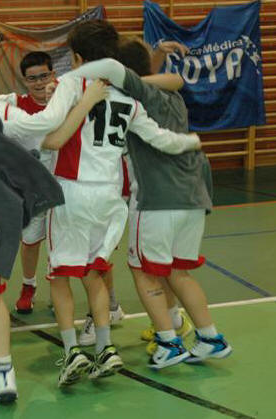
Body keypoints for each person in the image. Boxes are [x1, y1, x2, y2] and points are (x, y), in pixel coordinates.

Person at [3, 19, 202, 386]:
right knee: (96, 271)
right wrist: (190, 142)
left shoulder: (70, 84)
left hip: (72, 191)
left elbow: (49, 130)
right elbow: (160, 137)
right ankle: (107, 348)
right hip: (111, 197)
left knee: (62, 276)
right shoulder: (129, 94)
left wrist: (9, 117)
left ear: (77, 57)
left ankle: (71, 352)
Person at [69, 36, 232, 369]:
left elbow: (126, 76)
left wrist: (74, 77)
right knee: (178, 272)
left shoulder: (134, 94)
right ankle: (209, 336)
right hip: (194, 195)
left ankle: (168, 343)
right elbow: (169, 78)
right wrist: (155, 57)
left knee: (143, 270)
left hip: (158, 197)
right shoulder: (172, 95)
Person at [0, 51, 56, 314]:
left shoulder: (68, 101)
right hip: (34, 190)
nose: (40, 83)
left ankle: (58, 289)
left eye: (44, 75)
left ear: (53, 74)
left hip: (68, 184)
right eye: (33, 79)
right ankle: (28, 285)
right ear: (24, 81)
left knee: (61, 243)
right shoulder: (14, 104)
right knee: (30, 241)